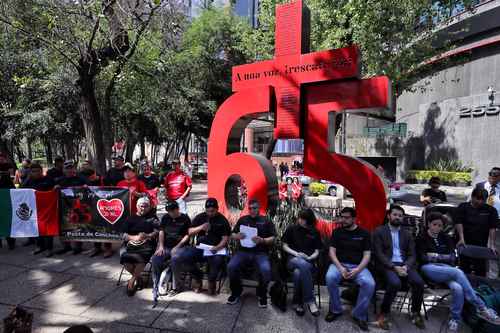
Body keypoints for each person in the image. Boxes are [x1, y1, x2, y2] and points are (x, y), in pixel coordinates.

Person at [417, 212, 500, 332]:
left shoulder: (445, 237)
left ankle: (455, 319)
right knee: (458, 273)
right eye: (434, 224)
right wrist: (441, 257)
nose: (437, 228)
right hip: (429, 268)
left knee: (458, 288)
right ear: (429, 224)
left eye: (440, 226)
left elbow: (452, 257)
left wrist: (435, 255)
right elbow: (423, 258)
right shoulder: (421, 238)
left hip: (447, 269)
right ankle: (482, 307)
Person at [372, 205, 425, 329]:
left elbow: (412, 254)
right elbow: (379, 254)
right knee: (395, 283)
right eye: (395, 215)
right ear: (389, 216)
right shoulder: (379, 231)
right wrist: (394, 267)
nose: (397, 217)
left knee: (418, 282)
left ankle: (415, 312)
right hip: (387, 265)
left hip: (404, 265)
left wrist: (406, 266)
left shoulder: (407, 234)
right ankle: (384, 313)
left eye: (400, 216)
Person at [325, 207, 374, 331]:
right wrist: (341, 268)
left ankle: (359, 314)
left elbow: (367, 255)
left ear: (354, 219)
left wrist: (357, 270)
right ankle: (336, 310)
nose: (343, 220)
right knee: (330, 277)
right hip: (339, 264)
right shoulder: (337, 232)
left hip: (358, 267)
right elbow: (332, 252)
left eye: (346, 218)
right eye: (342, 217)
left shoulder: (364, 233)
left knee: (369, 283)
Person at [175, 198, 230, 295]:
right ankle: (197, 277)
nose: (210, 213)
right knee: (184, 256)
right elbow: (189, 232)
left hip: (216, 248)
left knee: (217, 261)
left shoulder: (222, 220)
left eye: (212, 211)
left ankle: (211, 281)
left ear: (217, 209)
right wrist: (201, 227)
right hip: (201, 247)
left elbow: (225, 238)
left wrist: (217, 247)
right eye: (208, 211)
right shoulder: (201, 217)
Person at [227, 199, 276, 308]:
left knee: (266, 270)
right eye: (250, 208)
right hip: (243, 251)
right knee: (231, 266)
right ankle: (236, 291)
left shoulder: (266, 221)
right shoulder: (243, 220)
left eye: (254, 208)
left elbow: (273, 238)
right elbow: (232, 234)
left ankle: (261, 293)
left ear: (259, 208)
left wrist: (262, 240)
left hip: (260, 253)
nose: (252, 210)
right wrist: (237, 236)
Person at [282, 209, 322, 317]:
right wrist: (296, 254)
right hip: (292, 259)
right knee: (302, 265)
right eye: (299, 217)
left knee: (298, 273)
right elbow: (284, 246)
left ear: (309, 220)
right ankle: (310, 301)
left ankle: (298, 303)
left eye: (303, 219)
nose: (300, 220)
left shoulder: (315, 232)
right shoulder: (292, 229)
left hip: (308, 262)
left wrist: (309, 258)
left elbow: (317, 251)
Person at [151, 200, 191, 305]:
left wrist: (178, 246)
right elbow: (161, 231)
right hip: (167, 246)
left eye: (172, 211)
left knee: (175, 259)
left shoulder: (185, 218)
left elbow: (188, 235)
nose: (171, 213)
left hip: (181, 246)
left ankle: (176, 286)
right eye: (169, 211)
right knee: (155, 259)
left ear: (177, 209)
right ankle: (156, 282)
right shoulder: (165, 218)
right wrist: (161, 246)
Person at [120, 197, 159, 297]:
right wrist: (135, 237)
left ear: (149, 207)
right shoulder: (130, 218)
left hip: (147, 244)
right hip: (131, 243)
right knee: (126, 261)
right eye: (141, 206)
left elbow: (158, 231)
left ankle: (131, 282)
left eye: (146, 206)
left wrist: (148, 235)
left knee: (141, 259)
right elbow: (122, 234)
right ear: (137, 207)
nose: (144, 208)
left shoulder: (153, 218)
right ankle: (138, 278)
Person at [455, 188, 498, 277]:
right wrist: (461, 238)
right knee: (464, 267)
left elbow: (492, 228)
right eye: (478, 199)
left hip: (481, 242)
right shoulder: (463, 207)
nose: (481, 202)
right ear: (472, 197)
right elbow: (459, 222)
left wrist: (492, 244)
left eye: (483, 200)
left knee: (480, 269)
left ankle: (480, 287)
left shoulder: (491, 210)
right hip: (465, 241)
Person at [54, 160, 89, 255]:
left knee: (77, 226)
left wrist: (86, 186)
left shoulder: (81, 178)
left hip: (78, 207)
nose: (69, 170)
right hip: (63, 207)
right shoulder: (59, 180)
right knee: (63, 226)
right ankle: (66, 246)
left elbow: (90, 187)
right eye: (67, 168)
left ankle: (78, 247)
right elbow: (52, 192)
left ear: (74, 169)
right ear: (63, 170)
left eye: (71, 168)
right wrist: (55, 187)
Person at [21, 163, 56, 257]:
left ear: (41, 171)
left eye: (37, 171)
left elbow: (51, 187)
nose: (35, 173)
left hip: (47, 209)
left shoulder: (48, 179)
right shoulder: (29, 180)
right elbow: (21, 188)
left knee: (48, 230)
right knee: (36, 229)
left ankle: (49, 249)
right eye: (33, 171)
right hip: (34, 209)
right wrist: (28, 177)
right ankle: (40, 246)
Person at [0, 152, 16, 250]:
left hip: (7, 194)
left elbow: (11, 174)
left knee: (8, 220)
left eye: (2, 157)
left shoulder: (8, 165)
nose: (1, 159)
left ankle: (11, 241)